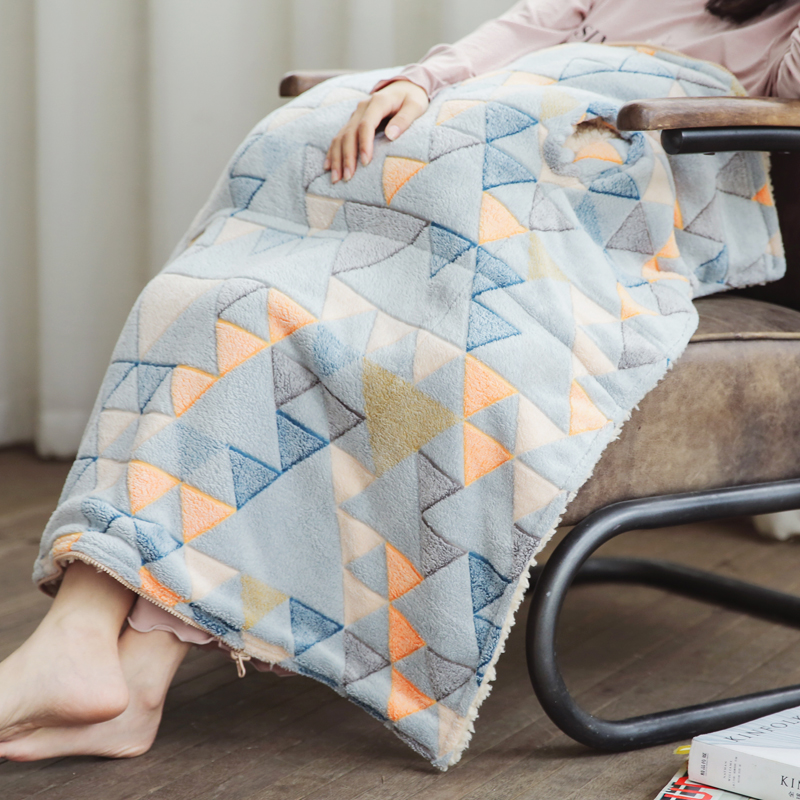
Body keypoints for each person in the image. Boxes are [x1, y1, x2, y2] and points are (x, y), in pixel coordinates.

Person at [0, 0, 797, 764]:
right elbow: (536, 22)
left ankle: (88, 648)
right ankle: (119, 677)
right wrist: (422, 81)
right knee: (223, 310)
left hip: (596, 189)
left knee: (300, 335)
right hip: (509, 137)